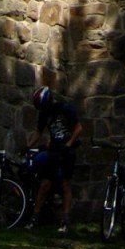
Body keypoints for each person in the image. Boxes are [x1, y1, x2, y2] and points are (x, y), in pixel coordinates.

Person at [25, 84, 82, 235]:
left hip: (67, 151)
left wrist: (69, 144)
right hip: (54, 151)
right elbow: (38, 131)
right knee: (45, 184)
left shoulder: (64, 109)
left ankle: (65, 220)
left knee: (65, 184)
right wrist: (28, 145)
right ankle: (35, 218)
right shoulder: (44, 114)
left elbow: (78, 128)